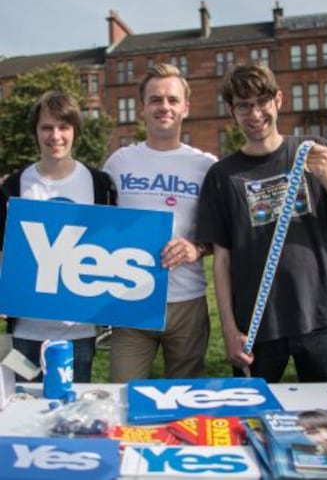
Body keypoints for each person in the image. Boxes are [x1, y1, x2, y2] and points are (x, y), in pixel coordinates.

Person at [196, 62, 327, 383]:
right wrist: (231, 329)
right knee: (252, 419)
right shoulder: (222, 176)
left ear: (278, 100)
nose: (255, 114)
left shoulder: (313, 151)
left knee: (326, 420)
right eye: (244, 106)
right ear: (232, 111)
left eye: (262, 102)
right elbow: (221, 261)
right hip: (257, 327)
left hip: (320, 317)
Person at [103, 63, 217, 382]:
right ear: (142, 108)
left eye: (172, 99)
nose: (164, 106)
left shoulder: (207, 167)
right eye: (155, 99)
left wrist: (197, 248)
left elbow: (223, 234)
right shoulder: (119, 162)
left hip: (187, 302)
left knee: (185, 402)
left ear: (185, 108)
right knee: (122, 392)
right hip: (130, 302)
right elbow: (98, 226)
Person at [0, 90, 117, 382]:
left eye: (63, 127)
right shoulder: (14, 187)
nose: (56, 136)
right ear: (35, 132)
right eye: (46, 127)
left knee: (70, 415)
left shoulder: (99, 184)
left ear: (75, 130)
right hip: (26, 330)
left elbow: (111, 247)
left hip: (78, 331)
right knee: (23, 413)